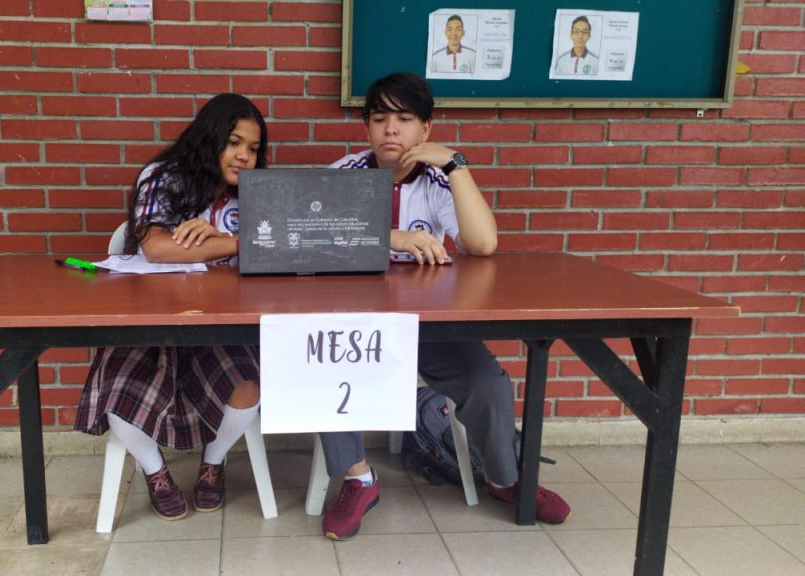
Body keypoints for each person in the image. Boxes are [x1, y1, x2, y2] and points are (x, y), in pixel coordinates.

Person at [320, 72, 571, 541]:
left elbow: (483, 244)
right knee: (323, 369)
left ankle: (506, 480)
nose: (391, 129)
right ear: (366, 126)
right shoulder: (341, 175)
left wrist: (457, 165)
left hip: (426, 323)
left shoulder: (438, 180)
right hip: (355, 324)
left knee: (487, 382)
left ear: (425, 129)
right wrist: (390, 239)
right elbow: (311, 243)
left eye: (404, 118)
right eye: (379, 118)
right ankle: (359, 480)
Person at [74, 93, 267, 521]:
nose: (244, 156)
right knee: (119, 393)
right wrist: (233, 244)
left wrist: (221, 238)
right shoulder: (165, 176)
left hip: (222, 320)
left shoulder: (255, 193)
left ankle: (213, 462)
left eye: (253, 149)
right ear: (209, 138)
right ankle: (155, 471)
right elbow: (158, 249)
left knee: (247, 387)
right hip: (151, 316)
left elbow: (274, 248)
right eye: (234, 142)